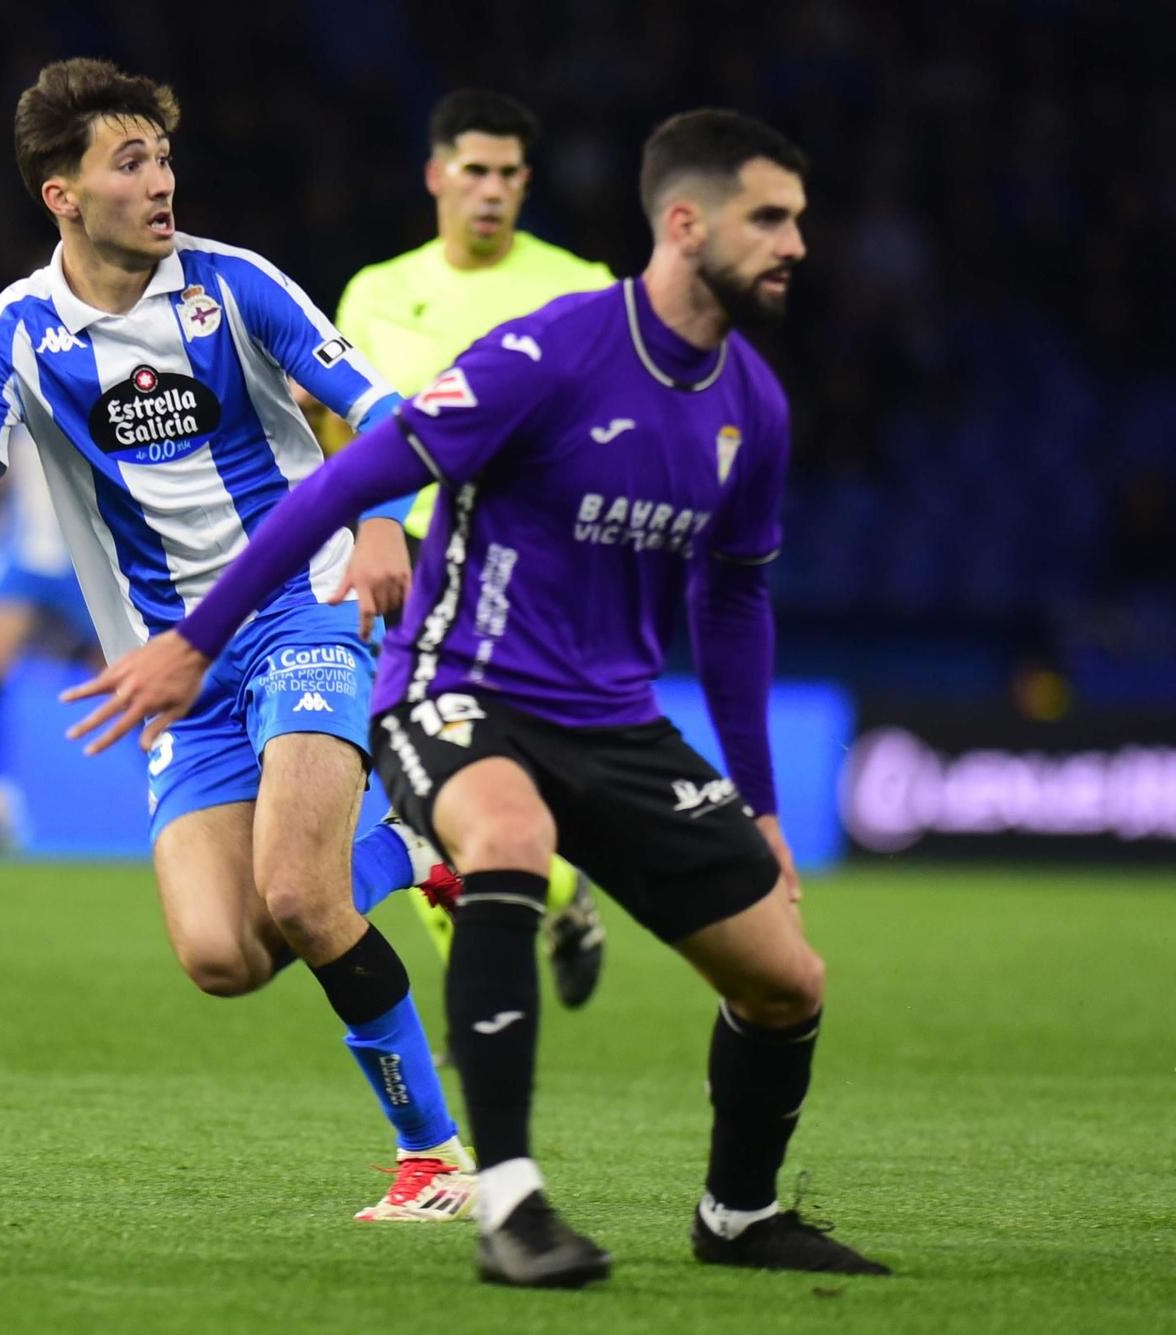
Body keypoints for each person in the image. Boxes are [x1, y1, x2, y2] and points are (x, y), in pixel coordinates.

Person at [65, 109, 890, 1286]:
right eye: (770, 217)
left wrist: (757, 806)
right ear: (684, 221)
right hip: (462, 687)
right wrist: (195, 640)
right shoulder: (548, 352)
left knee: (784, 978)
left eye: (798, 220)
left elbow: (732, 607)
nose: (795, 242)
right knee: (499, 839)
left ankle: (738, 1215)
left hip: (616, 720)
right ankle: (505, 1201)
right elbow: (341, 482)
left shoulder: (750, 405)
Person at [0, 58, 476, 1222]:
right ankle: (420, 847)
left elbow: (381, 415)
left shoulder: (234, 289)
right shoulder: (19, 334)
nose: (161, 180)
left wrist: (379, 522)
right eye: (129, 161)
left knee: (295, 892)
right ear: (60, 195)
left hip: (303, 608)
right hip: (168, 668)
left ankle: (432, 1161)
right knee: (222, 956)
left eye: (164, 156)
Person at [327, 89, 616, 1004]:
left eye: (507, 174)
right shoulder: (375, 292)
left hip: (519, 574)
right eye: (473, 169)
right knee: (416, 792)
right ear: (436, 174)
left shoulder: (582, 288)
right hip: (400, 566)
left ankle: (549, 900)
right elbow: (344, 436)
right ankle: (490, 984)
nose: (489, 189)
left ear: (526, 183)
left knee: (463, 788)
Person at [0, 424, 102, 851]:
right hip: (18, 557)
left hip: (84, 560)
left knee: (132, 679)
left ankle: (174, 792)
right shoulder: (7, 399)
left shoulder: (92, 389)